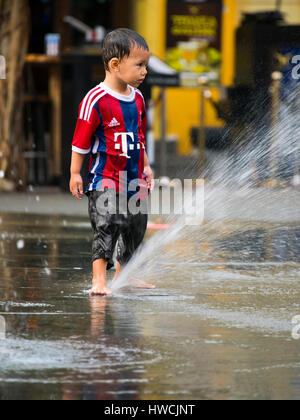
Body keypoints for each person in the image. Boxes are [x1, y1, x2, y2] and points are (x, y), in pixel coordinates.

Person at [70, 28, 155, 296]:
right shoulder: (95, 100)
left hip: (134, 178)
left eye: (146, 66)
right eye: (139, 65)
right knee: (105, 226)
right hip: (104, 177)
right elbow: (80, 142)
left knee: (135, 226)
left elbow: (139, 137)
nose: (144, 72)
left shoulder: (138, 98)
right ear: (115, 65)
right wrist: (75, 172)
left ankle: (125, 275)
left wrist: (147, 166)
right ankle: (99, 280)